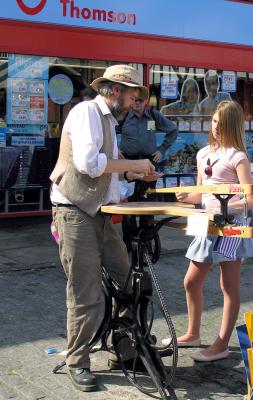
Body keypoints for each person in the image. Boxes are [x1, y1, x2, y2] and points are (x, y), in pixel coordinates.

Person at [50, 64, 160, 392]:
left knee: (131, 281)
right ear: (113, 89)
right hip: (73, 212)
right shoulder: (86, 112)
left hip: (97, 213)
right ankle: (77, 360)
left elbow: (108, 172)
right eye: (131, 93)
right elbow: (89, 164)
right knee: (86, 294)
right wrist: (132, 165)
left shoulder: (110, 122)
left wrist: (133, 175)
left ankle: (124, 350)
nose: (133, 100)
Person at [162, 100, 253, 362]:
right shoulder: (203, 153)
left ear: (233, 125)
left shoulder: (238, 157)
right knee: (191, 281)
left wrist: (226, 209)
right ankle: (193, 333)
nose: (216, 126)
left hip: (230, 228)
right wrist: (185, 196)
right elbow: (200, 194)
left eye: (221, 122)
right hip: (205, 226)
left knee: (228, 285)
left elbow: (251, 201)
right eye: (214, 121)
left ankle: (220, 344)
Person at [119, 92, 178, 246]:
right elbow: (108, 130)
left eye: (140, 100)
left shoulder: (153, 115)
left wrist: (162, 149)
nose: (137, 103)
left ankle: (147, 240)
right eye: (134, 100)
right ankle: (129, 242)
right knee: (128, 203)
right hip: (129, 162)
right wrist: (114, 149)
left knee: (147, 203)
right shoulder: (124, 115)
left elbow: (173, 130)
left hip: (147, 163)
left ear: (145, 102)